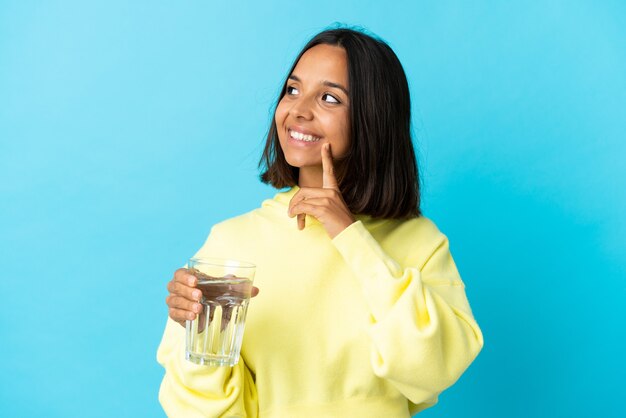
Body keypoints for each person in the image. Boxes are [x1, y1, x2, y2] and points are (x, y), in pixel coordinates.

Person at [157, 26, 484, 418]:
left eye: (329, 98)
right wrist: (197, 327)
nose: (299, 110)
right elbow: (201, 410)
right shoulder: (231, 243)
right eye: (292, 90)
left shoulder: (419, 241)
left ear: (372, 117)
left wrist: (350, 236)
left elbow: (434, 371)